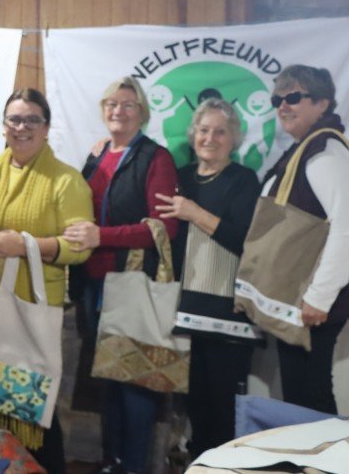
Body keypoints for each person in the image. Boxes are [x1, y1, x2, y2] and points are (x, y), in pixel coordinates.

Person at [0, 88, 94, 473]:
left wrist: (23, 245)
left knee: (31, 410)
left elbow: (80, 249)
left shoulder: (66, 181)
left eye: (31, 120)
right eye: (14, 119)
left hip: (28, 313)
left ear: (46, 128)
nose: (21, 127)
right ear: (3, 126)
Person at [64, 76, 179, 474]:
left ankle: (133, 466)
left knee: (133, 378)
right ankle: (112, 461)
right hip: (94, 284)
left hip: (131, 283)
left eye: (128, 105)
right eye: (112, 104)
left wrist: (102, 236)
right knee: (107, 379)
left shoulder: (156, 158)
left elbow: (164, 228)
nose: (119, 111)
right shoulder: (97, 155)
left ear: (143, 113)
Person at [256, 65, 349, 414]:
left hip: (312, 295)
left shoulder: (325, 152)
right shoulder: (304, 149)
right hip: (301, 291)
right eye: (277, 99)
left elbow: (347, 227)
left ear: (322, 103)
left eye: (294, 97)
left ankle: (320, 465)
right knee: (300, 391)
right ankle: (308, 462)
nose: (283, 106)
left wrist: (319, 298)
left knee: (310, 391)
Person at [155, 98, 261, 458]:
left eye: (220, 131)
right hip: (183, 309)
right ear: (192, 135)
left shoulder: (243, 180)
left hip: (227, 313)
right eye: (203, 130)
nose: (210, 138)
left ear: (234, 139)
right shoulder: (180, 177)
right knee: (192, 403)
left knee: (223, 408)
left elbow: (243, 241)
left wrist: (194, 212)